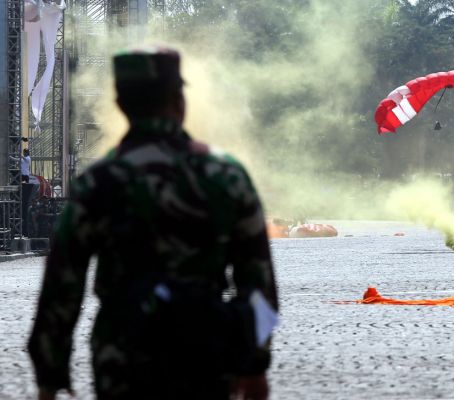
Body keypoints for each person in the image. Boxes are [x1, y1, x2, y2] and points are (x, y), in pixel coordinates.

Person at [28, 46, 278, 400]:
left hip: (123, 359)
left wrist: (49, 378)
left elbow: (61, 288)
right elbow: (258, 280)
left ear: (120, 104)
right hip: (205, 357)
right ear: (179, 101)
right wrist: (255, 364)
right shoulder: (226, 175)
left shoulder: (97, 183)